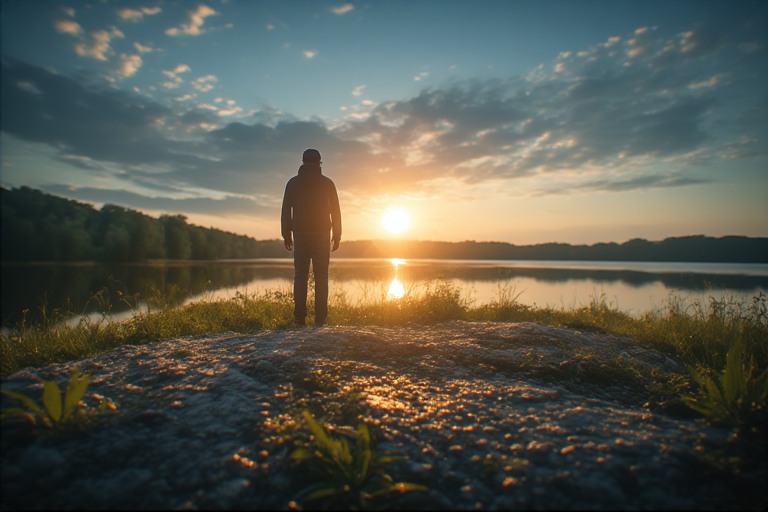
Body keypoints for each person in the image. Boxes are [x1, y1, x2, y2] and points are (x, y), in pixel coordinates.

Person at [281, 148, 342, 326]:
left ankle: (299, 319)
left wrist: (286, 234)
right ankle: (320, 319)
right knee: (321, 276)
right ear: (319, 162)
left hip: (300, 234)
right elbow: (336, 212)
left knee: (300, 275)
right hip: (322, 235)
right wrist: (337, 234)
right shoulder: (327, 183)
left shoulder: (292, 183)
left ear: (302, 162)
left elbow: (286, 211)